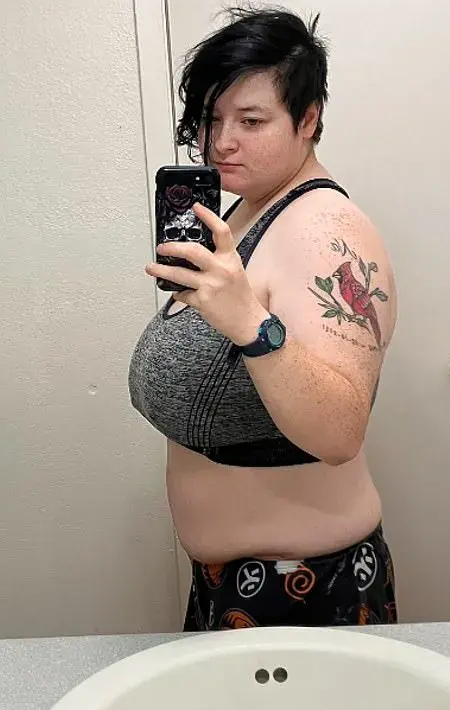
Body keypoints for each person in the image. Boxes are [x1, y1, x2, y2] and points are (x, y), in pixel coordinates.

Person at [128, 6, 398, 630]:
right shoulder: (250, 208)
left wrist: (252, 324)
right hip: (237, 588)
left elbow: (340, 432)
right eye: (212, 119)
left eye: (251, 121)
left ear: (309, 121)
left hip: (303, 590)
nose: (222, 141)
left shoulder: (326, 230)